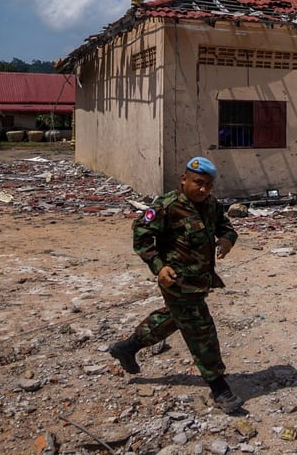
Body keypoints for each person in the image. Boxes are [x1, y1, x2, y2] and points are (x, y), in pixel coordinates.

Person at [108, 156, 243, 413]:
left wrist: (227, 240)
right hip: (176, 281)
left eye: (208, 185)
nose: (203, 189)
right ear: (184, 179)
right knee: (201, 330)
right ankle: (218, 386)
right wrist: (159, 268)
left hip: (200, 281)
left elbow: (226, 227)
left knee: (174, 318)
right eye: (198, 183)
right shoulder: (166, 206)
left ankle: (127, 348)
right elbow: (142, 236)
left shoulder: (210, 204)